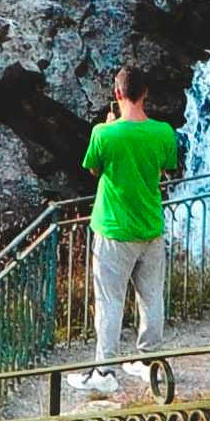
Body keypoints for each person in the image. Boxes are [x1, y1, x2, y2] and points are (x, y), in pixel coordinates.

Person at [81, 62, 183, 392]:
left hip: (113, 230)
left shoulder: (104, 133)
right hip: (151, 227)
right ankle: (148, 360)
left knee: (110, 301)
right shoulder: (165, 132)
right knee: (151, 297)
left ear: (117, 94)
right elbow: (167, 167)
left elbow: (94, 170)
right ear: (146, 94)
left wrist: (109, 125)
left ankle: (105, 371)